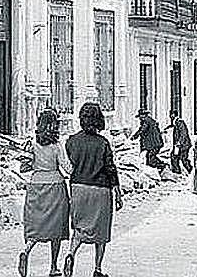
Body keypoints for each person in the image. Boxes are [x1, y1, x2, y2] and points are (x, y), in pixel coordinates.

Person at [64, 103, 122, 277]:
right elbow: (110, 168)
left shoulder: (71, 141)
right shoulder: (103, 143)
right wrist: (118, 192)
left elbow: (67, 166)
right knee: (101, 231)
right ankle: (97, 269)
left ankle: (70, 254)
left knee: (79, 228)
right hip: (100, 190)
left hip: (78, 188)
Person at [19, 109, 71, 277]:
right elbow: (67, 168)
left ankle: (26, 251)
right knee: (55, 228)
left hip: (35, 185)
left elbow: (24, 166)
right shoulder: (57, 145)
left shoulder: (32, 144)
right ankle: (53, 266)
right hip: (55, 185)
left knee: (36, 225)